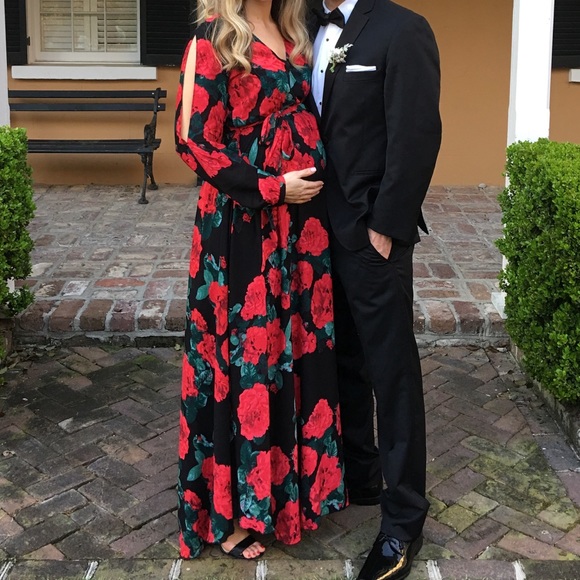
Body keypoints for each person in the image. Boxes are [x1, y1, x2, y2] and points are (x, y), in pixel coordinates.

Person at [175, 0, 347, 561]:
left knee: (292, 354)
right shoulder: (212, 38)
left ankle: (287, 499)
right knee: (247, 357)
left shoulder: (297, 30)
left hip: (302, 234)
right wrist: (272, 189)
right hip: (243, 228)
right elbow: (194, 141)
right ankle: (233, 513)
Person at [309, 0, 442, 578]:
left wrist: (386, 227)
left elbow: (417, 134)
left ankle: (403, 519)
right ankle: (359, 476)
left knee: (392, 375)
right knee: (342, 359)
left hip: (371, 234)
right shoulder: (303, 25)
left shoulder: (403, 29)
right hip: (313, 233)